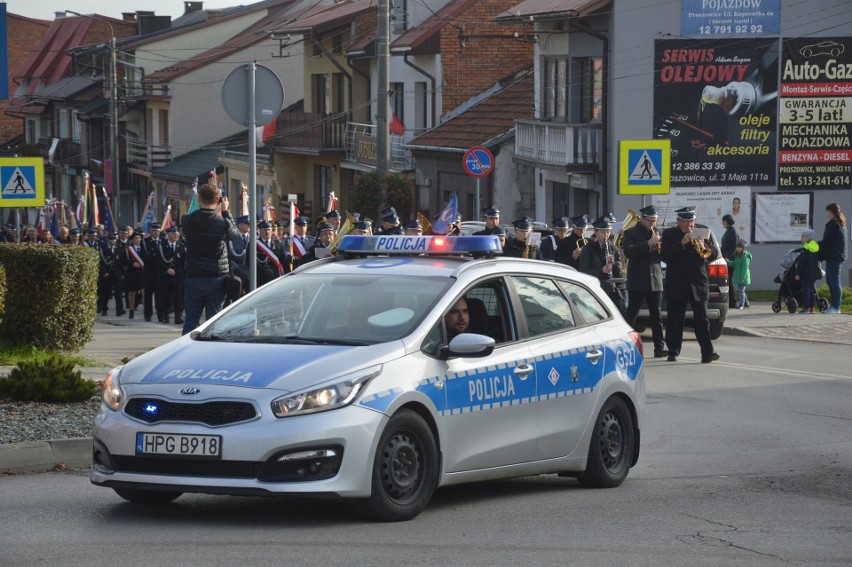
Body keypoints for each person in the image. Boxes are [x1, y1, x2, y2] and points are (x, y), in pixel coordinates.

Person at [180, 183, 244, 335]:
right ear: (218, 200)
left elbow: (187, 227)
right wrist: (226, 211)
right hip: (216, 277)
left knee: (191, 320)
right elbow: (235, 235)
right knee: (214, 322)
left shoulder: (187, 220)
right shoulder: (222, 223)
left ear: (199, 198)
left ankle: (186, 354)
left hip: (193, 276)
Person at [660, 206, 719, 363]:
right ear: (679, 221)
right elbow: (665, 255)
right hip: (677, 283)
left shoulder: (702, 232)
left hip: (698, 283)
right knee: (675, 320)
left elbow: (714, 254)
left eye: (691, 221)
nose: (689, 225)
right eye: (685, 222)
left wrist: (704, 246)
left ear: (695, 221)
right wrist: (682, 243)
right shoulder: (669, 234)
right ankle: (673, 350)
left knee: (702, 319)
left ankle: (707, 352)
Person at [622, 205, 667, 358]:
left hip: (654, 279)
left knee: (657, 315)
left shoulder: (657, 232)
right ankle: (625, 345)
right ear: (642, 219)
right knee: (632, 314)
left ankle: (659, 348)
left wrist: (661, 247)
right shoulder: (631, 233)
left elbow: (661, 257)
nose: (652, 224)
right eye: (650, 221)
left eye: (654, 221)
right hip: (638, 280)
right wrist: (648, 244)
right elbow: (629, 252)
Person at [579, 216, 624, 311]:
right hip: (596, 290)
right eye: (603, 232)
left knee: (620, 312)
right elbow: (583, 271)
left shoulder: (613, 248)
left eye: (608, 232)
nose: (606, 235)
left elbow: (619, 270)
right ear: (595, 232)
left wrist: (614, 264)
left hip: (612, 289)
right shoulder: (588, 249)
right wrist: (601, 270)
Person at [818, 202, 847, 314]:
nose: (826, 213)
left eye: (827, 211)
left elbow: (826, 242)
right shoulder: (841, 223)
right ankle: (834, 306)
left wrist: (814, 244)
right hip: (835, 255)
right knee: (831, 281)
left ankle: (836, 307)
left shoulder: (834, 224)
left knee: (834, 282)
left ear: (831, 211)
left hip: (834, 256)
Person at [157, 226, 185, 324]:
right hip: (165, 277)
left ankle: (178, 316)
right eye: (173, 234)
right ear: (168, 235)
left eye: (177, 234)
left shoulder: (181, 246)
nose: (176, 235)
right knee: (166, 297)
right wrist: (166, 269)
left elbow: (184, 261)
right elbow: (158, 261)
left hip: (178, 277)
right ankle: (166, 315)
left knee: (179, 297)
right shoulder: (161, 246)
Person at [97, 233, 125, 317]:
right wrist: (104, 272)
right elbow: (101, 262)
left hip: (116, 274)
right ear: (108, 240)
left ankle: (119, 309)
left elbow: (121, 262)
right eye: (111, 239)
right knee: (105, 292)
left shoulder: (119, 248)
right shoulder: (103, 248)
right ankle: (104, 309)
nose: (112, 241)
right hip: (107, 274)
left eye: (114, 239)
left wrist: (122, 273)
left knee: (118, 292)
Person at [794, 229, 820, 314]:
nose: (801, 238)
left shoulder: (805, 248)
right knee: (812, 289)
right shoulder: (816, 247)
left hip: (805, 273)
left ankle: (805, 308)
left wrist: (797, 273)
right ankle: (812, 308)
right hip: (813, 273)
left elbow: (801, 262)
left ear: (807, 238)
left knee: (806, 290)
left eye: (802, 236)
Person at [141, 222, 162, 321]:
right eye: (154, 231)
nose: (156, 233)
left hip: (159, 272)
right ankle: (147, 314)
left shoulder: (162, 241)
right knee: (148, 294)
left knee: (159, 295)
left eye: (157, 231)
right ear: (150, 231)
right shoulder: (145, 241)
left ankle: (160, 314)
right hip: (149, 272)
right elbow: (146, 256)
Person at [122, 232, 146, 319]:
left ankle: (145, 310)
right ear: (132, 240)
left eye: (139, 238)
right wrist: (132, 263)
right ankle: (131, 310)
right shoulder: (128, 249)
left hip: (142, 273)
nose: (138, 240)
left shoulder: (143, 248)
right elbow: (124, 260)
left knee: (144, 292)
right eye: (136, 238)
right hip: (132, 273)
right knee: (132, 292)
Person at [720, 214, 739, 308]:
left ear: (727, 221)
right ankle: (731, 301)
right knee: (727, 281)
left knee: (729, 281)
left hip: (730, 260)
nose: (722, 223)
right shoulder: (728, 231)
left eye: (723, 221)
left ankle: (733, 301)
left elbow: (734, 247)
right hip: (725, 259)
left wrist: (727, 257)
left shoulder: (732, 231)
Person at [727, 239, 751, 309]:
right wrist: (727, 262)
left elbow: (745, 268)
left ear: (743, 248)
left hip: (743, 276)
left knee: (741, 290)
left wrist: (743, 277)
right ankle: (746, 303)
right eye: (737, 247)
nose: (737, 248)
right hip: (739, 276)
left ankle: (741, 304)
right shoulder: (738, 256)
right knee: (742, 290)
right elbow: (734, 264)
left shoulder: (745, 257)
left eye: (739, 247)